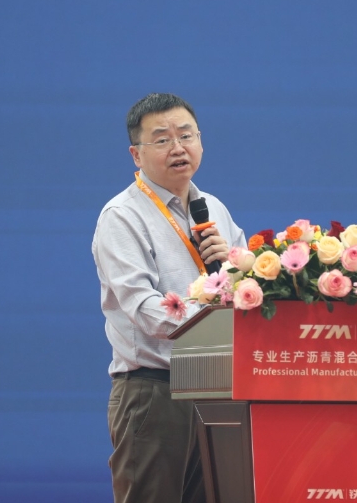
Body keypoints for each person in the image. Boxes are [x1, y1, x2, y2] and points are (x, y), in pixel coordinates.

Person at [92, 93, 246, 503]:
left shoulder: (213, 208)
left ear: (201, 141)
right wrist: (212, 315)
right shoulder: (122, 216)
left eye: (186, 135)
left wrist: (237, 271)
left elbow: (246, 290)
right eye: (161, 139)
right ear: (136, 154)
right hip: (156, 391)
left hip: (220, 389)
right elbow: (143, 309)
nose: (178, 147)